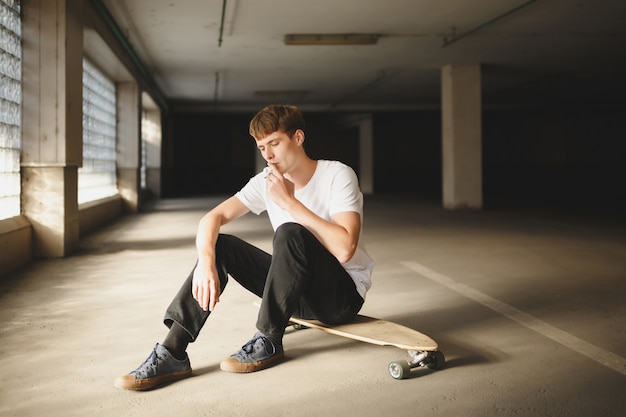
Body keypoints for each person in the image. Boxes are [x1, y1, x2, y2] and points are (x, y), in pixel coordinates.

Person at [114, 104, 374, 390]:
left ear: (298, 138)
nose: (269, 155)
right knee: (221, 245)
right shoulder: (266, 182)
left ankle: (268, 339)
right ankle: (173, 351)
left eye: (275, 143)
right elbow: (212, 218)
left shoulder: (337, 175)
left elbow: (345, 248)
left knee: (290, 233)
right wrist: (206, 262)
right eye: (262, 147)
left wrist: (289, 203)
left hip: (339, 300)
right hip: (294, 296)